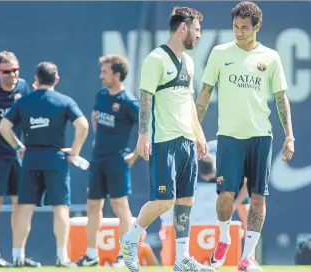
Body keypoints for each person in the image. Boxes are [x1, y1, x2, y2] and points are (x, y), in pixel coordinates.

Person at [196, 2, 295, 271]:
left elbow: (280, 98)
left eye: (244, 28)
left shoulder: (271, 57)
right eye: (235, 27)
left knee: (258, 197)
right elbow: (205, 92)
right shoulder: (219, 53)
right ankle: (224, 238)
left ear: (257, 27)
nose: (239, 32)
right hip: (229, 136)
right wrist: (195, 128)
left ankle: (246, 257)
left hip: (261, 136)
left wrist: (289, 136)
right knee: (225, 194)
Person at [120, 6, 215, 272]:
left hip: (187, 140)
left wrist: (199, 135)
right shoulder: (155, 59)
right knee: (164, 201)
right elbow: (146, 99)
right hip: (164, 141)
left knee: (186, 200)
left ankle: (182, 259)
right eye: (196, 30)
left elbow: (188, 103)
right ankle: (129, 239)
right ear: (183, 28)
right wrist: (142, 135)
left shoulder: (190, 62)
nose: (198, 36)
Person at [0, 62, 89, 268]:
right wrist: (75, 151)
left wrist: (18, 146)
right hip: (55, 158)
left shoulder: (24, 101)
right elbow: (83, 125)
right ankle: (62, 256)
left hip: (31, 158)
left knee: (25, 208)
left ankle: (17, 256)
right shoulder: (64, 101)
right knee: (60, 208)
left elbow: (3, 126)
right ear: (56, 80)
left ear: (36, 80)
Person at [76, 55, 139, 267]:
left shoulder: (129, 102)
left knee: (120, 206)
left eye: (105, 71)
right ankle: (91, 254)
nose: (101, 75)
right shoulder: (101, 95)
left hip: (117, 161)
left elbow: (148, 128)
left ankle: (126, 256)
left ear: (117, 75)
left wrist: (135, 154)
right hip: (97, 160)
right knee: (93, 205)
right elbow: (95, 117)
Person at [0, 51, 36, 267]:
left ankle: (18, 254)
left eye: (15, 70)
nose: (12, 75)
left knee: (20, 203)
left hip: (18, 154)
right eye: (7, 71)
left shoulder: (23, 87)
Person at [198, 140, 250, 237]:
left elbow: (247, 186)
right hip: (207, 177)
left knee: (244, 208)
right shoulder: (198, 156)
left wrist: (234, 205)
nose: (209, 179)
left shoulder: (234, 163)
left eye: (211, 176)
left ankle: (249, 244)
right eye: (207, 177)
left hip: (229, 175)